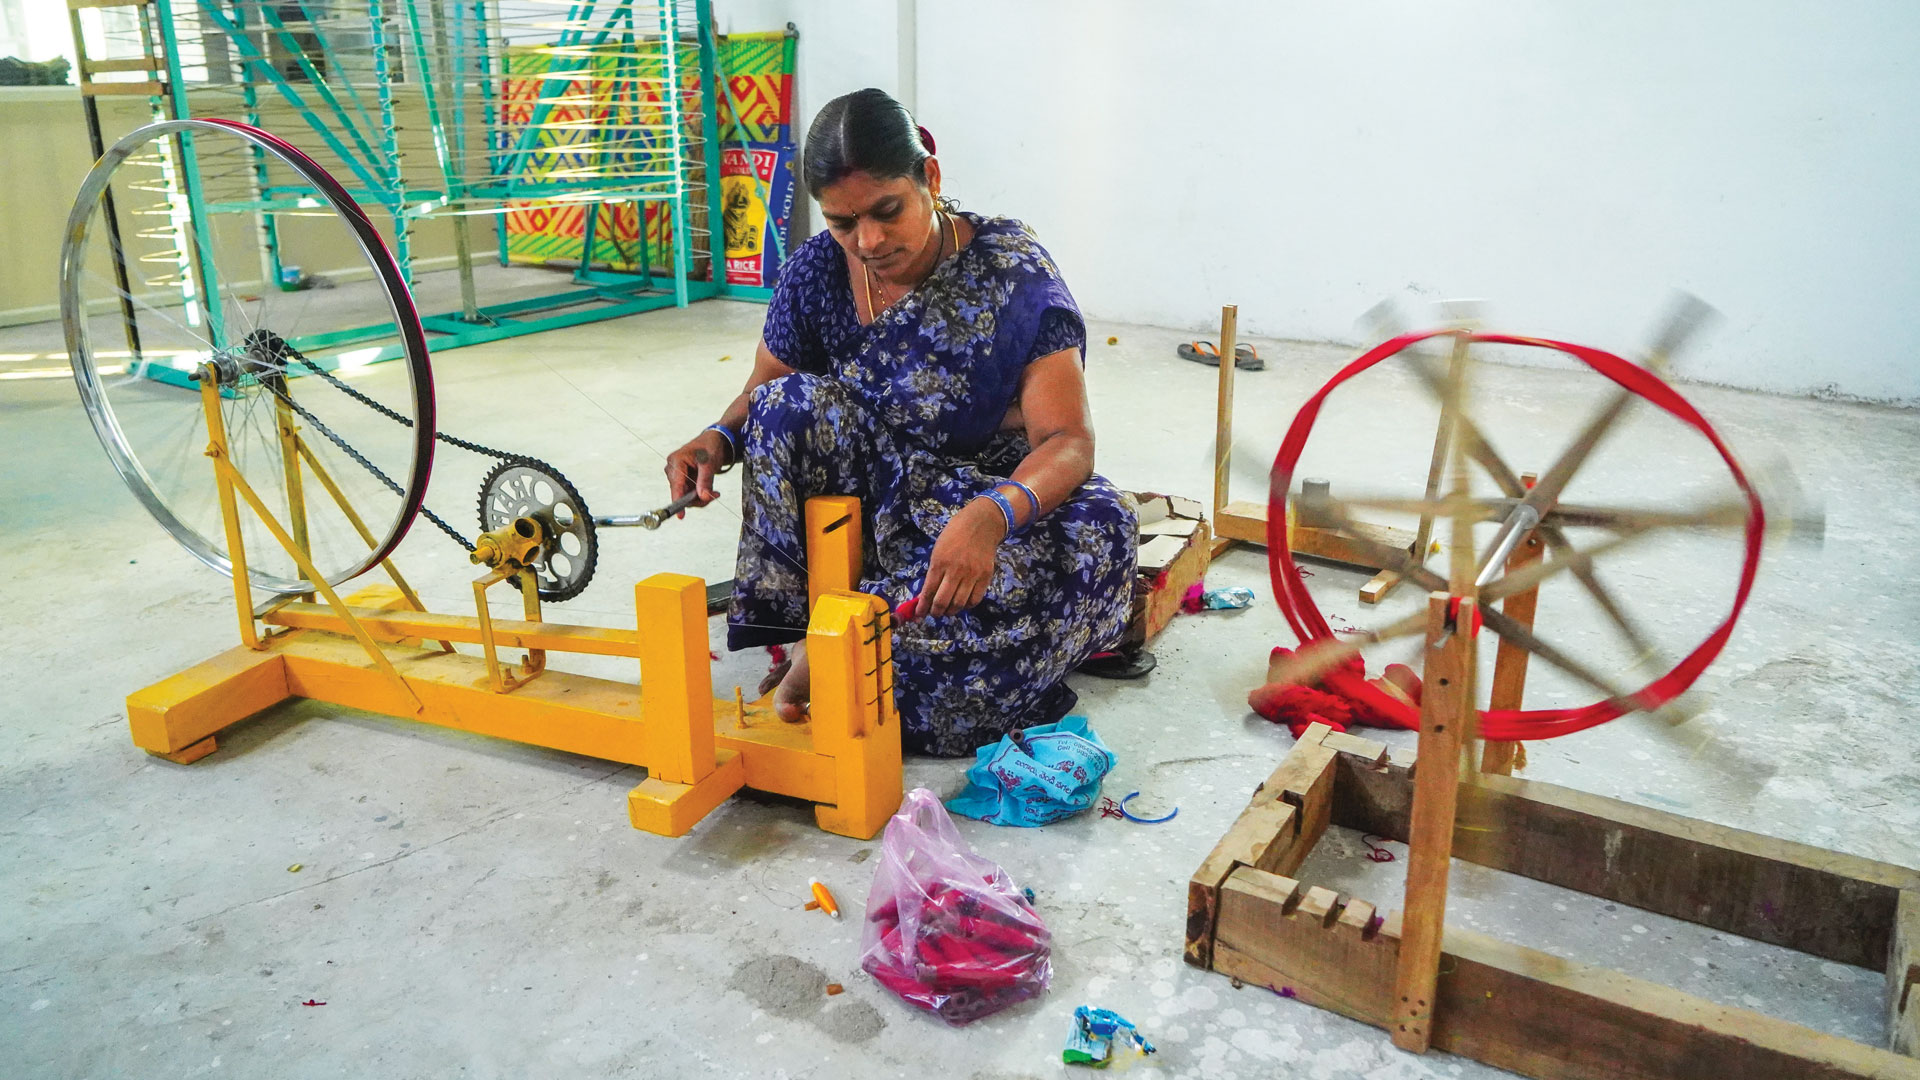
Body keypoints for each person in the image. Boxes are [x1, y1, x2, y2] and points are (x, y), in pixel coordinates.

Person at [665, 88, 1136, 757]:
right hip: (873, 499)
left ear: (930, 180)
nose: (870, 241)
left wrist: (992, 516)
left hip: (978, 507)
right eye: (843, 222)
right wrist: (719, 436)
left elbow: (1067, 442)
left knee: (1099, 530)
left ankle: (854, 645)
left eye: (888, 211)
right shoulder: (820, 270)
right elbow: (770, 382)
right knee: (786, 408)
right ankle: (822, 632)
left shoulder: (1011, 273)